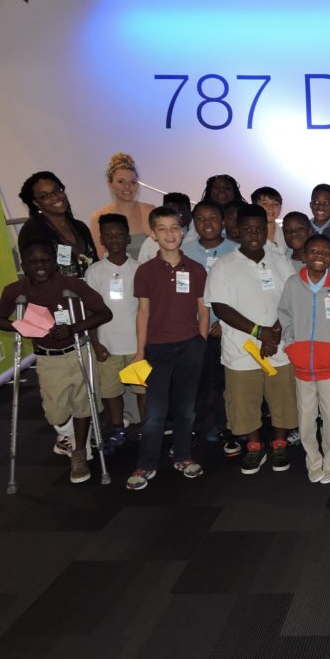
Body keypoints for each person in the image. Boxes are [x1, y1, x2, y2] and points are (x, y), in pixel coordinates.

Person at [0, 240, 112, 484]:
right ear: (24, 264)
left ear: (55, 263)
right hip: (48, 359)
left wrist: (74, 328)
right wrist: (21, 327)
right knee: (56, 415)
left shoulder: (73, 285)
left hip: (77, 352)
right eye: (33, 261)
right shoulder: (16, 291)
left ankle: (79, 452)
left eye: (46, 260)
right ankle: (69, 436)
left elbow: (104, 313)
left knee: (82, 405)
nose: (40, 266)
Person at [205, 203, 297, 476]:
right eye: (248, 229)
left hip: (279, 346)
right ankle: (254, 447)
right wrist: (259, 332)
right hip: (241, 350)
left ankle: (279, 444)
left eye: (259, 228)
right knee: (244, 402)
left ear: (267, 230)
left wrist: (274, 332)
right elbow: (220, 307)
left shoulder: (279, 260)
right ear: (236, 231)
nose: (254, 234)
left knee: (282, 399)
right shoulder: (224, 265)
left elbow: (293, 297)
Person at [127, 206, 210, 491]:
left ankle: (183, 456)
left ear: (183, 231)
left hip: (190, 346)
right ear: (153, 234)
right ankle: (146, 464)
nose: (169, 234)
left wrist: (200, 342)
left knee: (186, 409)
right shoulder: (145, 271)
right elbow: (143, 313)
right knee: (155, 412)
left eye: (174, 228)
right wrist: (140, 352)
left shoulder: (196, 269)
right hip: (157, 349)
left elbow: (203, 309)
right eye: (162, 229)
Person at [278, 235, 330, 484]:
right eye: (313, 251)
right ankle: (313, 460)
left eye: (325, 252)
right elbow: (285, 316)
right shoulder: (293, 284)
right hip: (302, 366)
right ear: (304, 255)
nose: (319, 256)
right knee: (305, 418)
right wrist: (291, 346)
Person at [182, 201, 239, 451]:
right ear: (194, 223)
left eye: (213, 217)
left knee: (223, 384)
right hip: (192, 331)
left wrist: (224, 323)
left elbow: (242, 292)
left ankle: (226, 427)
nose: (208, 223)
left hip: (226, 331)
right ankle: (192, 428)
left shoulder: (236, 250)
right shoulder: (184, 251)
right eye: (201, 218)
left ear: (223, 221)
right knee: (194, 383)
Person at [85, 214, 144, 453]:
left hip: (137, 346)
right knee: (111, 392)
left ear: (128, 238)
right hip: (107, 346)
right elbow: (90, 312)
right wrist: (95, 343)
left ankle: (147, 428)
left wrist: (145, 344)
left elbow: (146, 309)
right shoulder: (94, 271)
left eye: (119, 234)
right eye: (108, 235)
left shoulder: (140, 270)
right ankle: (118, 428)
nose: (115, 239)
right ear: (101, 240)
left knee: (142, 390)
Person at [17, 171, 98, 282]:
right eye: (44, 196)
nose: (55, 197)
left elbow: (97, 266)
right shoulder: (33, 232)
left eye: (57, 190)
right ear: (36, 203)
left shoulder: (80, 227)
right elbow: (36, 276)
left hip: (90, 291)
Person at [91, 153, 156, 258]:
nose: (127, 187)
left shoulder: (150, 211)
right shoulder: (98, 217)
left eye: (132, 182)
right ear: (110, 184)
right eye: (121, 181)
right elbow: (99, 257)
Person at [138, 192, 193, 264]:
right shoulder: (150, 242)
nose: (175, 219)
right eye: (169, 214)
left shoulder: (198, 238)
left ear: (190, 214)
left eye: (180, 214)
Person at [250, 186, 286, 253]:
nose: (271, 207)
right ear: (255, 206)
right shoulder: (248, 233)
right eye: (265, 203)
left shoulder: (285, 234)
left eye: (275, 204)